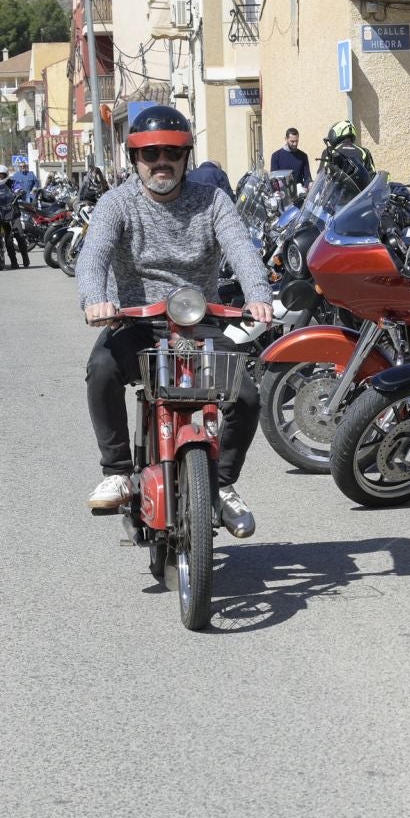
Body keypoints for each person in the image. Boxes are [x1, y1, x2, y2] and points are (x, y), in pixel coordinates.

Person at [78, 104, 274, 536]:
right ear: (135, 160)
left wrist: (258, 295)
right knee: (101, 370)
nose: (161, 162)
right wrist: (96, 300)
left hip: (201, 322)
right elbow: (93, 256)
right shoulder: (116, 203)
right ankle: (119, 472)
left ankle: (221, 485)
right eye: (150, 154)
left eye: (171, 152)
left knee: (245, 397)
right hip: (136, 322)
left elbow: (241, 249)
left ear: (186, 157)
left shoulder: (212, 200)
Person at [321, 119, 375, 201]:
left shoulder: (330, 151)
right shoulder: (364, 152)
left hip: (336, 200)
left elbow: (322, 177)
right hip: (360, 200)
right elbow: (372, 176)